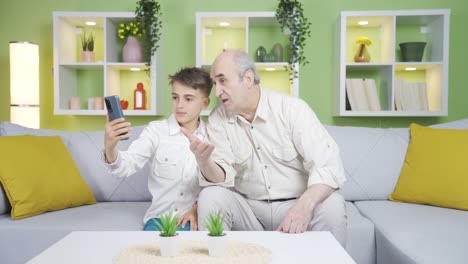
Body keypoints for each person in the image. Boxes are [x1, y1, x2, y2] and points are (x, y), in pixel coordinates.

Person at [181, 50, 347, 246]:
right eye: (215, 83)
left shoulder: (292, 109)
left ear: (248, 78)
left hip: (295, 203)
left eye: (222, 81)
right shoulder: (219, 118)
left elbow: (329, 166)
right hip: (250, 210)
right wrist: (204, 161)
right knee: (211, 195)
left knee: (333, 204)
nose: (216, 92)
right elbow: (220, 178)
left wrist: (304, 205)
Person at [103, 67, 212, 231]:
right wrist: (110, 147)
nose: (179, 105)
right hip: (159, 219)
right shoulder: (155, 131)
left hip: (195, 219)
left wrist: (198, 210)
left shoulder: (213, 136)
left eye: (188, 99)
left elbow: (220, 186)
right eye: (175, 97)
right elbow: (125, 166)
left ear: (205, 103)